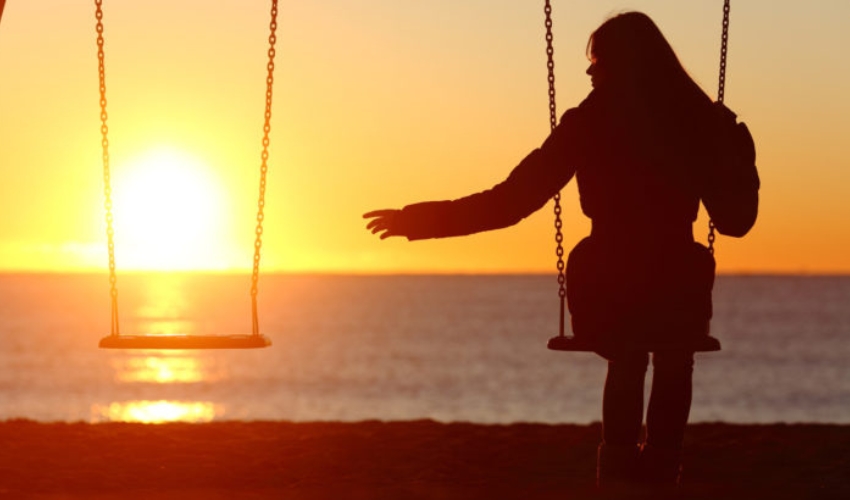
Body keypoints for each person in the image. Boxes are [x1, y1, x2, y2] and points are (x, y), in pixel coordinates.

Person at [363, 11, 758, 490]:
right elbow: (736, 222)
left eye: (598, 61)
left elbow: (510, 202)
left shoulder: (589, 123)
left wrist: (421, 221)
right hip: (676, 280)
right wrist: (740, 155)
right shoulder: (697, 120)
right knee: (673, 357)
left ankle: (618, 480)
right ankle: (660, 474)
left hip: (611, 280)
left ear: (624, 65)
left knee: (630, 355)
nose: (589, 73)